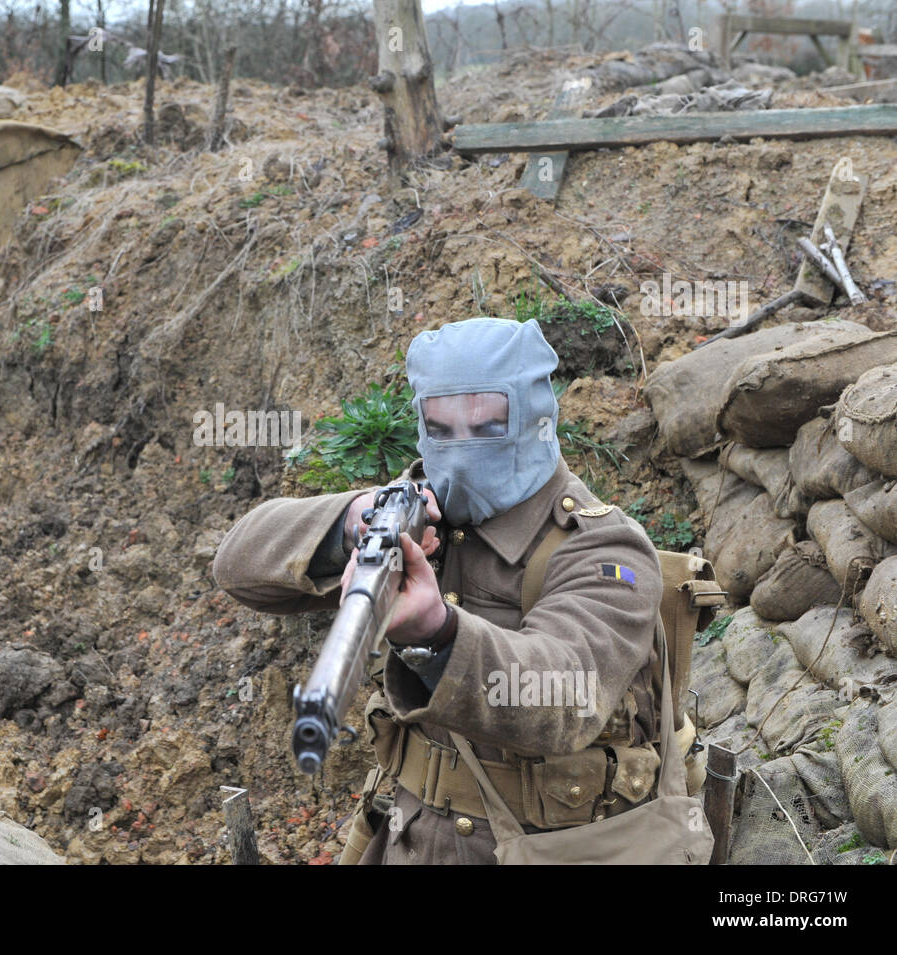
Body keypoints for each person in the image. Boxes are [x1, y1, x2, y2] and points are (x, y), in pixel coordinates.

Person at [212, 317, 667, 864]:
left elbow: (566, 696)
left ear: (536, 419)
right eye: (441, 429)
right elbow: (238, 565)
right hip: (407, 841)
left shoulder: (604, 548)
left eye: (487, 425)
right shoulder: (420, 518)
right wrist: (354, 522)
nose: (462, 449)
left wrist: (438, 631)